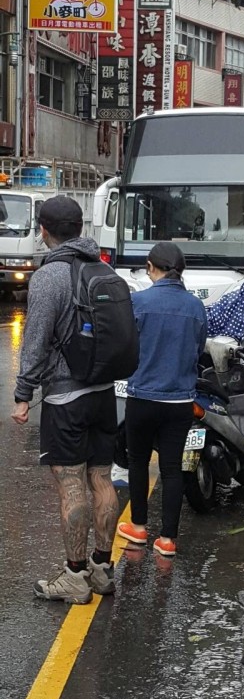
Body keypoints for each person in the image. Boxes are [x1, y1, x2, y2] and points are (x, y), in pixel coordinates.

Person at [12, 195, 119, 604]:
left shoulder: (49, 277)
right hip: (104, 392)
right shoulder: (101, 268)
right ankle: (102, 568)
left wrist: (24, 395)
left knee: (71, 483)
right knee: (102, 478)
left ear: (43, 230)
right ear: (80, 228)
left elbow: (35, 341)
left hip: (65, 397)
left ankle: (74, 576)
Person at [117, 242, 207, 558]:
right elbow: (198, 350)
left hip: (142, 397)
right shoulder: (195, 307)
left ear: (152, 267)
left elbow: (126, 346)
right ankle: (168, 539)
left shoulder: (138, 301)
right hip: (180, 400)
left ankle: (139, 528)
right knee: (171, 468)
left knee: (138, 461)